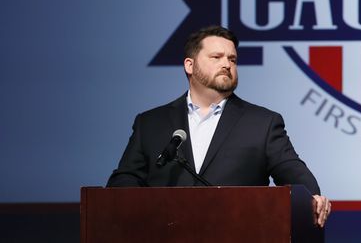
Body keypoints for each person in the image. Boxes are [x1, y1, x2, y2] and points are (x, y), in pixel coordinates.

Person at [107, 25, 332, 228]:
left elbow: (297, 177)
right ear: (189, 64)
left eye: (232, 59)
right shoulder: (150, 123)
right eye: (216, 57)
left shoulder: (262, 123)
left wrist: (313, 197)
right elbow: (124, 182)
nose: (226, 64)